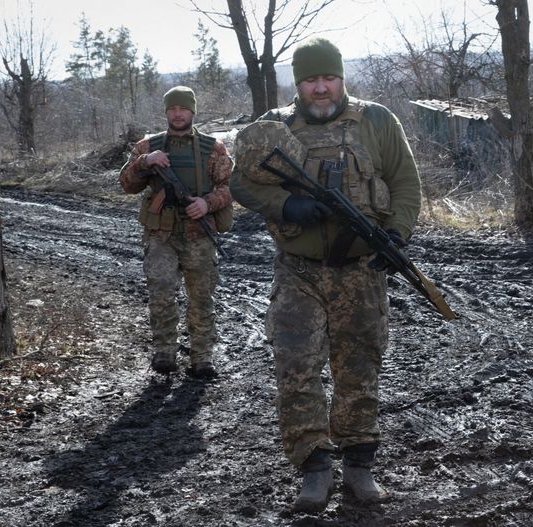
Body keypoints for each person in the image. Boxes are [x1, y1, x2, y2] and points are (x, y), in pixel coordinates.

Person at [230, 37, 422, 512]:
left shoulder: (376, 119)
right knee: (296, 367)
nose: (321, 88)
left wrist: (396, 233)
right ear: (298, 83)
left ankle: (359, 466)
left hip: (360, 271)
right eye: (311, 79)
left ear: (341, 78)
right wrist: (285, 203)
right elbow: (239, 180)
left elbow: (405, 182)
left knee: (359, 367)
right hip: (299, 271)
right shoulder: (273, 128)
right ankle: (314, 468)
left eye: (329, 78)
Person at [119, 85, 233, 379]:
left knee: (202, 297)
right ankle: (164, 352)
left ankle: (202, 357)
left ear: (192, 111)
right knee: (161, 293)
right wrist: (145, 162)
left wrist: (207, 204)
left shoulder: (214, 148)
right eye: (172, 109)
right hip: (161, 234)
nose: (178, 113)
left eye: (183, 108)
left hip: (199, 233)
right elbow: (127, 185)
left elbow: (232, 187)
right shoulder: (148, 146)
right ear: (166, 112)